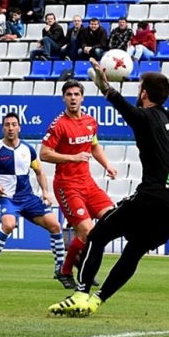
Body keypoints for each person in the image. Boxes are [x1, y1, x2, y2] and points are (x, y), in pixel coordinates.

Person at [48, 60, 169, 318]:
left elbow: (120, 104)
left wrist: (104, 87)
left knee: (97, 237)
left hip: (150, 199)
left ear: (144, 93)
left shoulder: (143, 117)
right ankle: (96, 301)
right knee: (134, 251)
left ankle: (80, 294)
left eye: (140, 87)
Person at [40, 80, 118, 289]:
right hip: (67, 185)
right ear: (64, 98)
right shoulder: (59, 124)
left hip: (88, 183)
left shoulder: (90, 121)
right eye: (69, 94)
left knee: (113, 222)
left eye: (76, 94)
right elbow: (44, 154)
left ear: (82, 97)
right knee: (87, 231)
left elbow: (94, 146)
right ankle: (65, 270)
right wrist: (73, 158)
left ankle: (81, 262)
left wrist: (107, 165)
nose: (73, 98)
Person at [0, 112, 63, 279]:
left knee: (55, 225)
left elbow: (39, 171)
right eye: (7, 125)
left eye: (14, 124)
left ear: (19, 128)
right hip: (9, 199)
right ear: (3, 128)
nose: (11, 128)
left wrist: (45, 191)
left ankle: (60, 268)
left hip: (28, 198)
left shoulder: (27, 149)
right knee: (8, 225)